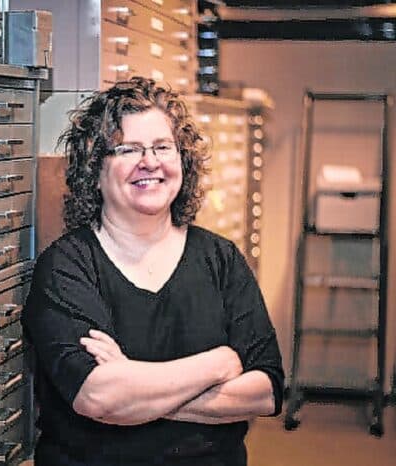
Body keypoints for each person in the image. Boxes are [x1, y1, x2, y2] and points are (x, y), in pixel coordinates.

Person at [21, 77, 284, 466]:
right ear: (95, 170)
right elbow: (100, 397)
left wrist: (133, 386)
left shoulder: (221, 259)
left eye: (163, 147)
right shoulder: (67, 266)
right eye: (128, 149)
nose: (150, 161)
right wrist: (219, 363)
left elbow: (266, 391)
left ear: (182, 160)